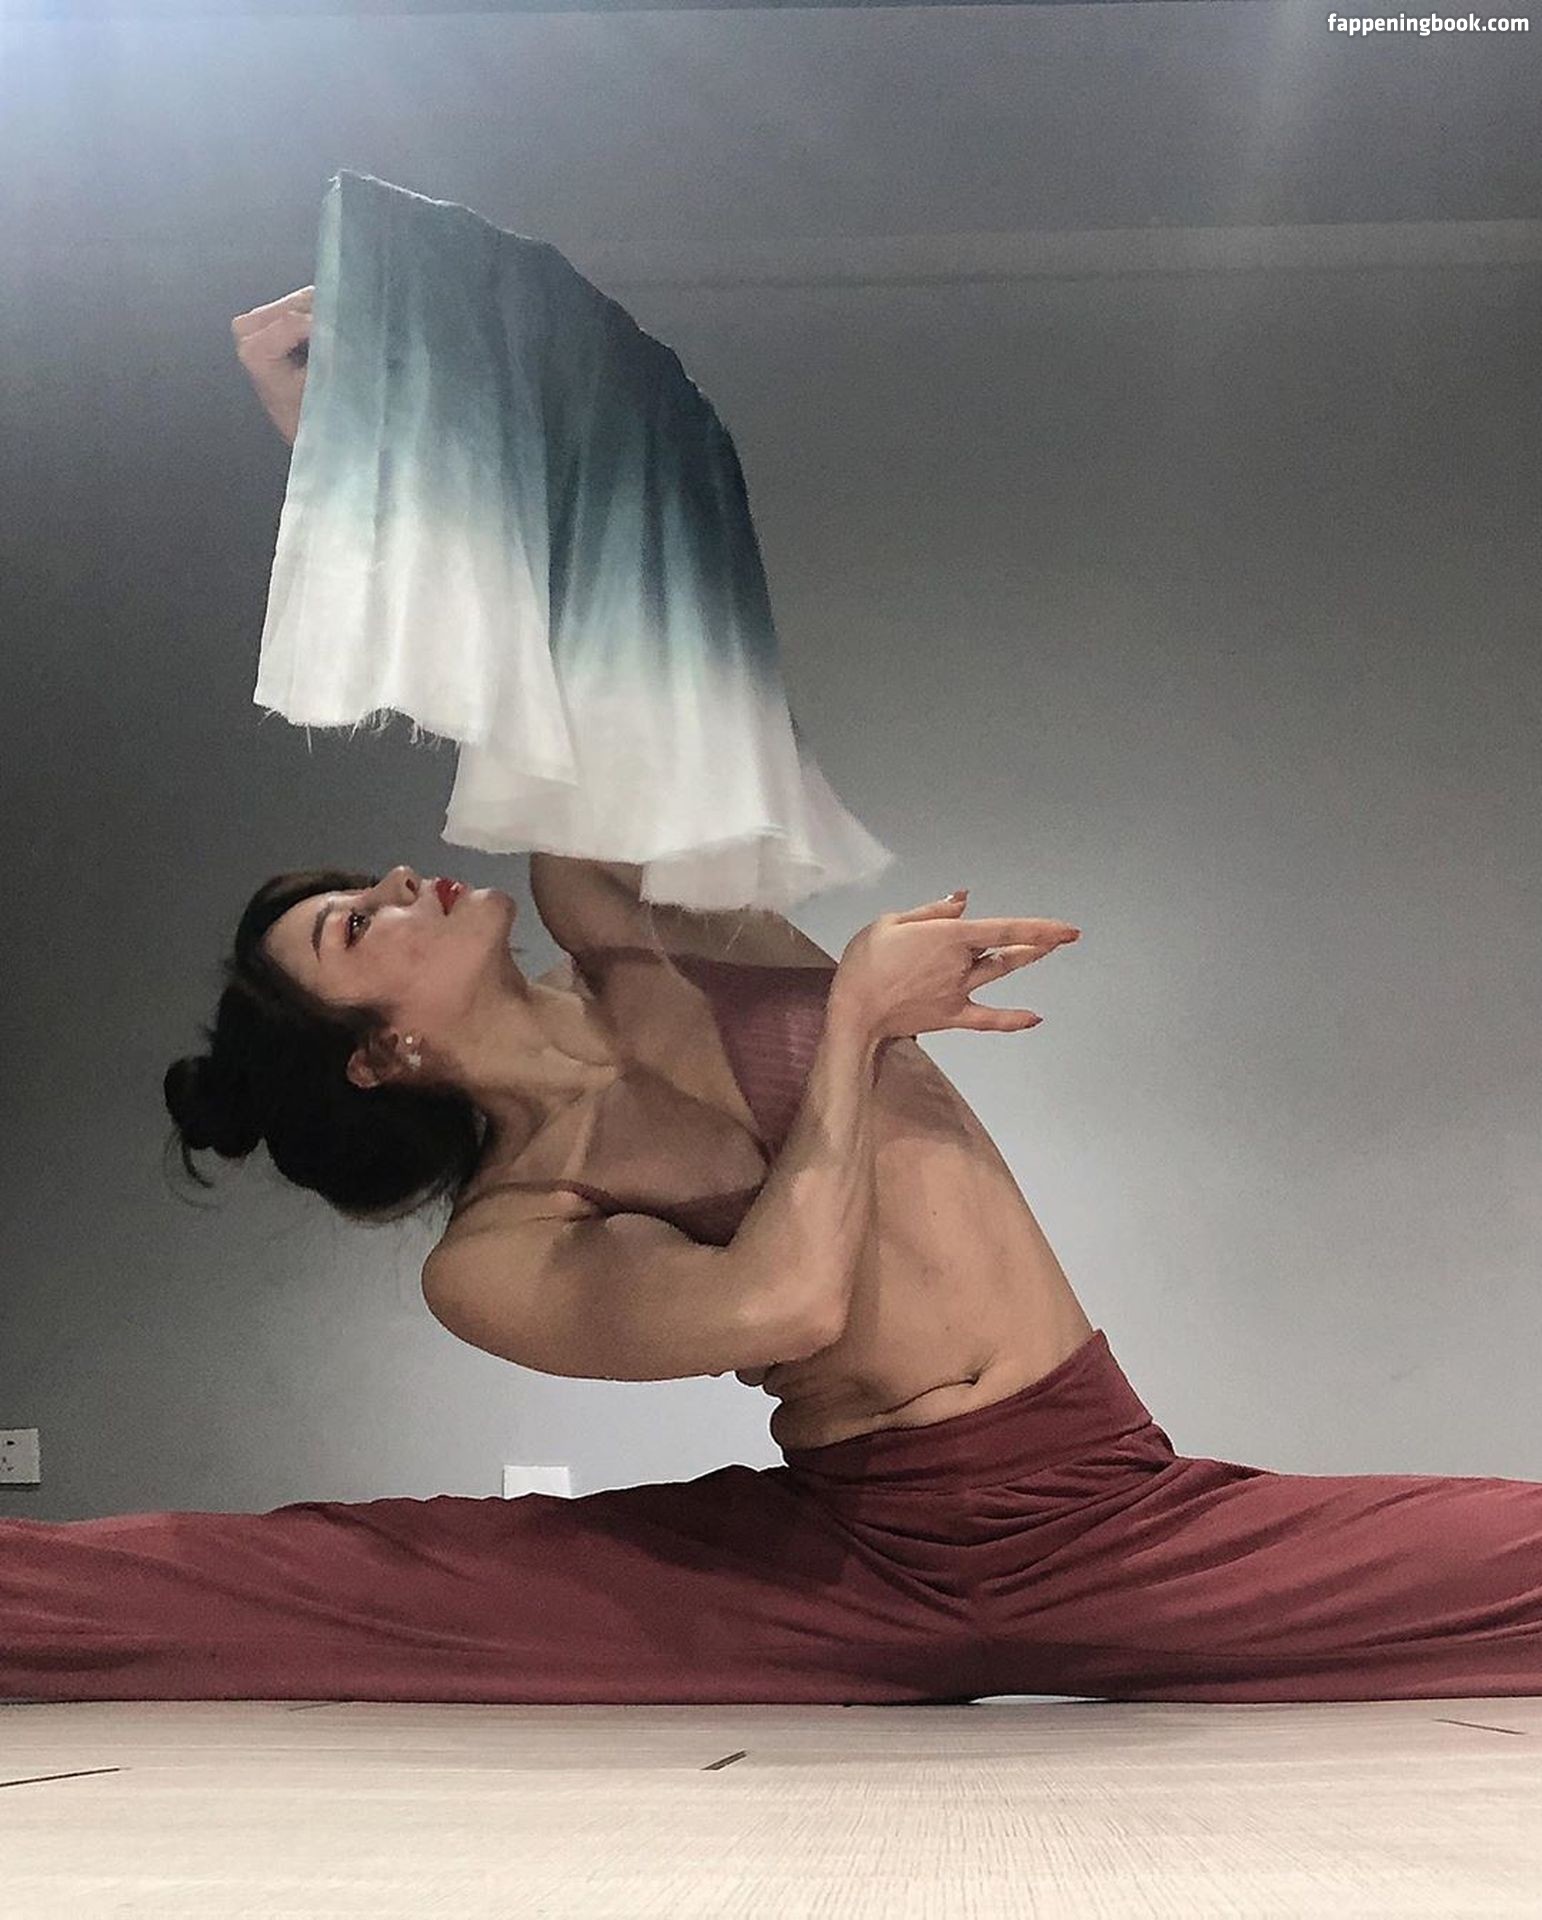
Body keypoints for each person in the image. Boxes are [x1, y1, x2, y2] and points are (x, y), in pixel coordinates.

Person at [4, 304, 1536, 1710]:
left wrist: (337, 435)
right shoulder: (500, 1249)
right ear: (381, 1052)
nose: (402, 878)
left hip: (1111, 1512)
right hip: (833, 1570)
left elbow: (545, 674)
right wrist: (852, 1023)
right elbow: (777, 1309)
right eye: (358, 922)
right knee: (330, 1585)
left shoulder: (627, 922)